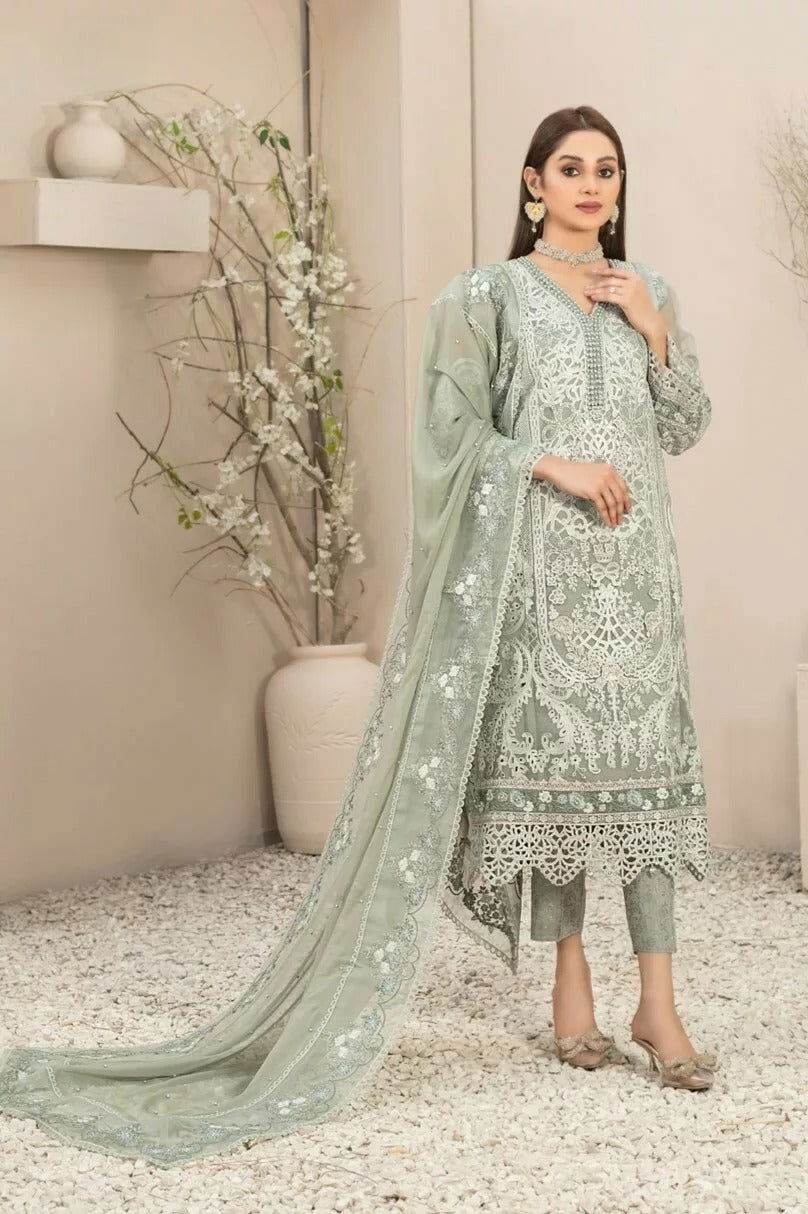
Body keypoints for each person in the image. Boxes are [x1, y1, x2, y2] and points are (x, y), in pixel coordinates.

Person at [0, 105, 717, 1170]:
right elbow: (449, 435)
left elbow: (684, 426)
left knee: (646, 784)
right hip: (535, 574)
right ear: (532, 184)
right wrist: (549, 463)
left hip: (637, 574)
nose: (590, 184)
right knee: (557, 786)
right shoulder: (487, 296)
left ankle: (659, 1004)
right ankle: (572, 990)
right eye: (570, 167)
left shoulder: (648, 291)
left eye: (606, 169)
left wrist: (653, 333)